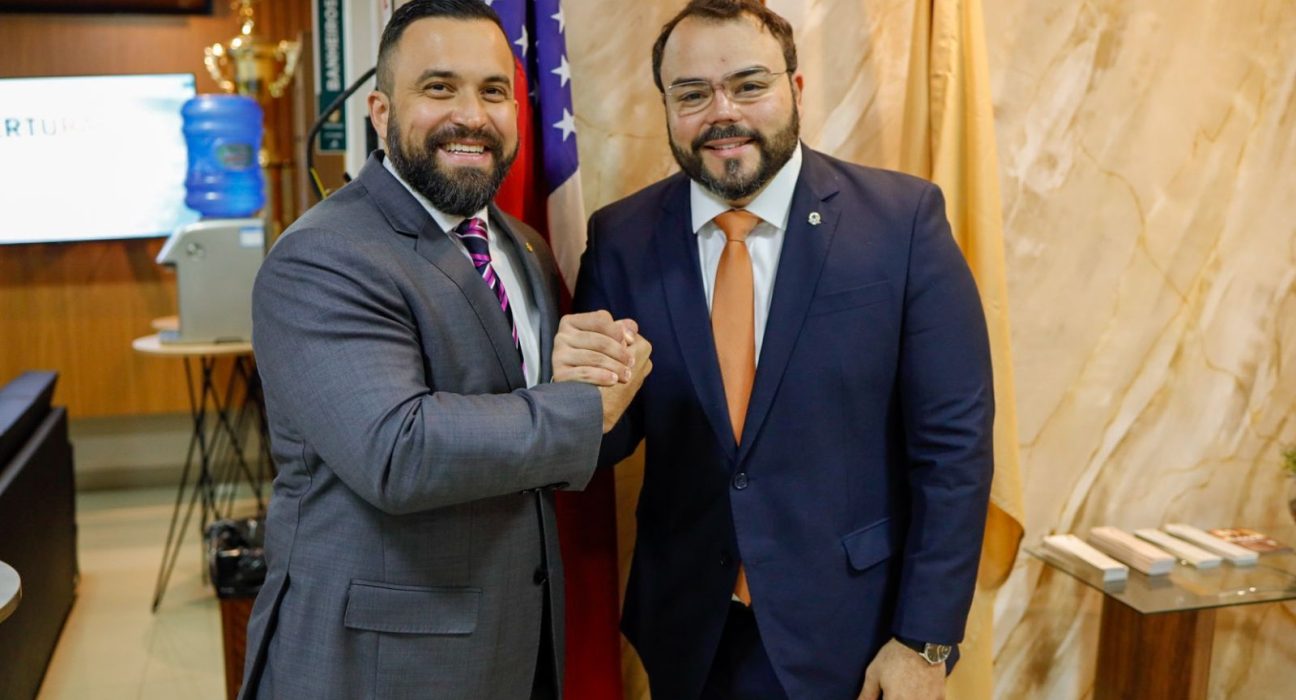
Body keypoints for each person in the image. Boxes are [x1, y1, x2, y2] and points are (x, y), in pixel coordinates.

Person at [569, 1, 994, 698]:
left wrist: (925, 642)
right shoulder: (621, 236)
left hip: (853, 638)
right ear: (668, 106)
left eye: (748, 84)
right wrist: (578, 398)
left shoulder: (901, 223)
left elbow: (954, 448)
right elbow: (608, 442)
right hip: (689, 635)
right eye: (693, 93)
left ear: (795, 90)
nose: (722, 112)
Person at [238, 1, 650, 698]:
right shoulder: (322, 256)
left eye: (494, 91)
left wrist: (607, 365)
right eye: (438, 88)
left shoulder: (520, 244)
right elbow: (399, 451)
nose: (472, 115)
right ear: (379, 110)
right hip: (376, 662)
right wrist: (586, 408)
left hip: (515, 642)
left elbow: (540, 430)